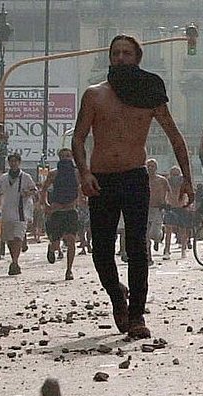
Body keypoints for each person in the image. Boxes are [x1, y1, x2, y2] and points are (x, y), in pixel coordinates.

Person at [72, 34, 194, 339]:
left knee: (137, 247)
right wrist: (84, 172)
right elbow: (78, 138)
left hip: (134, 176)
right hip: (102, 178)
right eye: (116, 53)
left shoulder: (149, 93)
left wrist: (189, 179)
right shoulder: (94, 95)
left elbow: (175, 137)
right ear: (110, 58)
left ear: (137, 58)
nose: (121, 58)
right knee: (101, 249)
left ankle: (137, 315)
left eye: (127, 53)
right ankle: (117, 296)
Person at [0, 153, 38, 276]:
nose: (13, 163)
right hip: (6, 211)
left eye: (15, 161)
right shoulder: (3, 178)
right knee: (9, 239)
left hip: (21, 212)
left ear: (19, 162)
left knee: (18, 236)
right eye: (11, 161)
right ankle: (14, 258)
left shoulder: (26, 177)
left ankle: (15, 262)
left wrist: (27, 192)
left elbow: (34, 190)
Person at [42, 148, 82, 280]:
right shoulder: (54, 173)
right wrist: (46, 204)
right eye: (63, 156)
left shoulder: (76, 173)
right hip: (57, 210)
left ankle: (69, 270)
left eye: (68, 156)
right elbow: (44, 189)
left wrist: (81, 200)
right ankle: (51, 247)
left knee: (71, 240)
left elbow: (82, 187)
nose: (65, 158)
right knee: (56, 242)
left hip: (71, 210)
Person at [162, 165, 190, 259]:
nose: (175, 176)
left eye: (177, 174)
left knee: (182, 230)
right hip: (170, 207)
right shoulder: (167, 182)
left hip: (181, 207)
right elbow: (164, 193)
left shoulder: (183, 182)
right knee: (168, 230)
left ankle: (183, 250)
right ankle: (167, 250)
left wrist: (188, 205)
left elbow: (188, 194)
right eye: (173, 174)